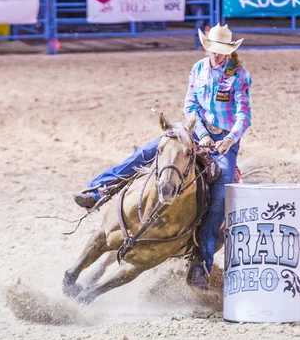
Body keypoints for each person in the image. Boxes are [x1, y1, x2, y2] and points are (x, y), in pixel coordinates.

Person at [72, 24, 252, 291]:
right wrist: (200, 134)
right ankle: (101, 190)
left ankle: (200, 263)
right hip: (193, 132)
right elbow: (190, 106)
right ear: (207, 47)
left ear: (228, 52)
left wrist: (228, 139)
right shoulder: (198, 69)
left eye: (221, 51)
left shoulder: (239, 75)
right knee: (145, 153)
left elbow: (243, 114)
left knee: (219, 199)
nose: (216, 55)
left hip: (225, 141)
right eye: (213, 50)